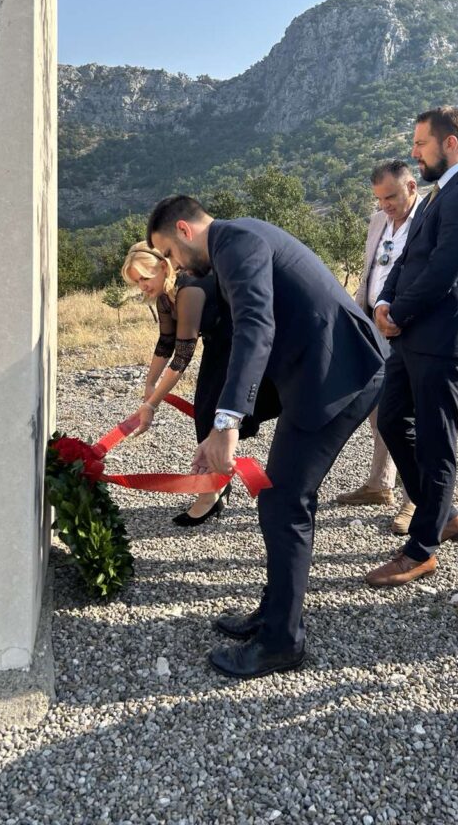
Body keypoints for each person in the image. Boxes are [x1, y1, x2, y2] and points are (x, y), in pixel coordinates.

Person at [147, 197, 385, 679]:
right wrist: (216, 428)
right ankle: (275, 613)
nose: (174, 266)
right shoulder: (234, 242)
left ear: (184, 230)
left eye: (169, 252)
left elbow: (256, 326)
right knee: (279, 497)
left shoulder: (236, 243)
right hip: (319, 374)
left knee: (283, 501)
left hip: (342, 374)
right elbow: (236, 343)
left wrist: (228, 423)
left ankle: (282, 641)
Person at [367, 107, 458, 587]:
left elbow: (445, 270)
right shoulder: (440, 195)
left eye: (420, 143)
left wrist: (398, 314)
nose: (414, 151)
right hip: (412, 336)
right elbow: (407, 260)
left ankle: (421, 550)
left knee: (435, 442)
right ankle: (441, 514)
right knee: (391, 419)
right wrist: (384, 302)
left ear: (449, 143)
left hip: (443, 340)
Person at [121, 242, 275, 526]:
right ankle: (215, 485)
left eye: (145, 277)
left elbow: (182, 356)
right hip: (217, 346)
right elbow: (165, 343)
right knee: (205, 414)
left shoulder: (188, 289)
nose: (142, 286)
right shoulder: (164, 296)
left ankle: (211, 492)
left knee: (214, 414)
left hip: (240, 347)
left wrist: (152, 405)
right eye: (136, 281)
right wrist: (149, 385)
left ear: (163, 267)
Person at [337, 160, 418, 534]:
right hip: (373, 325)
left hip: (408, 329)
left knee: (410, 415)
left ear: (411, 188)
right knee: (379, 408)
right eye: (379, 199)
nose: (385, 205)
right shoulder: (377, 221)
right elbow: (370, 272)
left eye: (391, 197)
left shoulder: (427, 220)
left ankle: (415, 498)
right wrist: (358, 317)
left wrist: (400, 316)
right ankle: (379, 484)